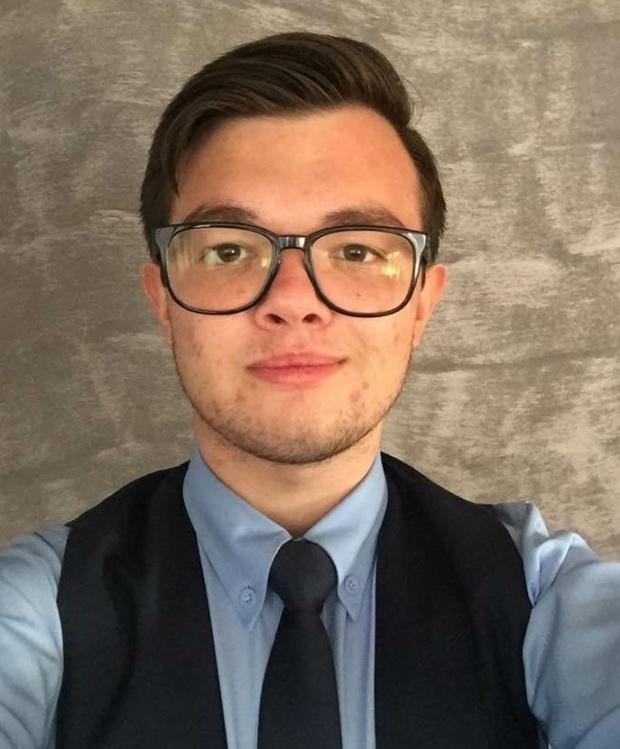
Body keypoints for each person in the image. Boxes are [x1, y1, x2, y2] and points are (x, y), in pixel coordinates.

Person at [0, 31, 618, 749]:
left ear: (422, 304)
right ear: (163, 301)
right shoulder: (40, 604)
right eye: (229, 249)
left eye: (356, 250)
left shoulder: (544, 594)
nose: (293, 300)